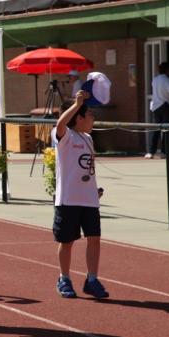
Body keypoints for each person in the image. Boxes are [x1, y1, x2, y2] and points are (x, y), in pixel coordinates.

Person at [52, 91, 109, 299]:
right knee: (67, 241)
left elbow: (86, 169)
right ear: (79, 117)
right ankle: (64, 278)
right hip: (68, 200)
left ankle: (92, 279)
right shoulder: (65, 136)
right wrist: (76, 104)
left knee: (94, 239)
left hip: (89, 200)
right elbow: (60, 125)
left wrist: (94, 190)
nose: (93, 118)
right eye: (90, 114)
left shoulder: (88, 139)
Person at [146, 62, 169, 159]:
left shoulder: (155, 80)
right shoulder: (168, 80)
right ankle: (164, 152)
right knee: (166, 130)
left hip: (155, 106)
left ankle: (151, 152)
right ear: (168, 70)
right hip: (166, 106)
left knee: (156, 129)